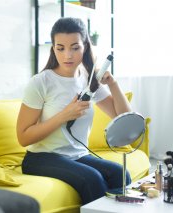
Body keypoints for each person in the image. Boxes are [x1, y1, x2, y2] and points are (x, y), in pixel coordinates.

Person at [16, 17, 132, 205]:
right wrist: (65, 115)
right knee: (92, 178)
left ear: (85, 46)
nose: (67, 55)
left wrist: (113, 84)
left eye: (75, 47)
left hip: (77, 155)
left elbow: (122, 118)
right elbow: (23, 137)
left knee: (121, 174)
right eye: (60, 48)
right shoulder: (41, 82)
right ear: (53, 48)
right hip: (40, 158)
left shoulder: (88, 79)